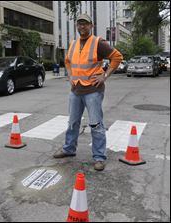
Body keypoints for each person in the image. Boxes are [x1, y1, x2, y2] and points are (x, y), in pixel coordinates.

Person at [53, 14, 123, 171]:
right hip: (76, 90)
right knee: (72, 123)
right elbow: (68, 62)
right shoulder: (73, 44)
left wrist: (105, 75)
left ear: (91, 26)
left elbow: (117, 57)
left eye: (85, 24)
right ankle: (68, 149)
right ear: (77, 26)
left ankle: (99, 157)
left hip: (93, 91)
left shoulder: (98, 43)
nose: (82, 27)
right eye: (79, 24)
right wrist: (70, 76)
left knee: (96, 124)